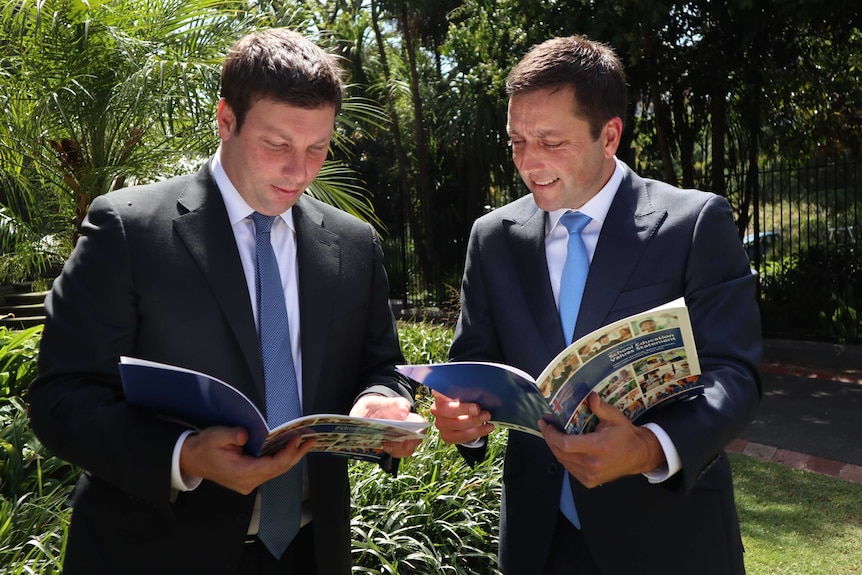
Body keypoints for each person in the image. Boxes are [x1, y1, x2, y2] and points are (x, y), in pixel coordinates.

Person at [28, 28, 423, 575]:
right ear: (226, 120)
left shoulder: (354, 244)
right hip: (154, 553)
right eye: (277, 145)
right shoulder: (128, 229)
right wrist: (184, 455)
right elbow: (59, 397)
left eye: (317, 148)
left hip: (311, 551)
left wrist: (383, 402)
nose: (299, 171)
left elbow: (382, 365)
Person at [430, 35, 761, 575]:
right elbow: (475, 367)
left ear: (609, 136)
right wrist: (462, 418)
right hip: (540, 544)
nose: (528, 162)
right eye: (516, 140)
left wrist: (651, 448)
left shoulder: (694, 224)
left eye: (550, 141)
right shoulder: (492, 239)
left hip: (669, 539)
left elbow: (735, 375)